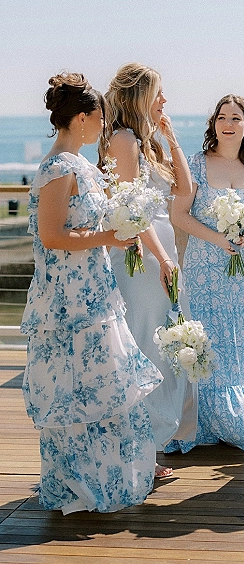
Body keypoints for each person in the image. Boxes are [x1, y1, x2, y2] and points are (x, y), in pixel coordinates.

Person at [21, 73, 162, 514]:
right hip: (68, 299)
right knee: (78, 386)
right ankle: (81, 482)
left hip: (94, 289)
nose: (103, 126)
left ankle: (111, 473)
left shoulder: (81, 165)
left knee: (104, 382)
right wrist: (109, 239)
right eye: (99, 118)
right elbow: (52, 236)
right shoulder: (59, 168)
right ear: (82, 117)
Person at [99, 63, 197, 469]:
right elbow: (132, 211)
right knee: (144, 345)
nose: (165, 101)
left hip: (159, 250)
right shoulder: (122, 140)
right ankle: (139, 449)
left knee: (162, 344)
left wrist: (171, 138)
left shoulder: (147, 142)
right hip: (140, 256)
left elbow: (184, 191)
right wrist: (163, 258)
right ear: (139, 96)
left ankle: (148, 446)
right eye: (158, 93)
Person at [171, 95, 244, 454]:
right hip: (205, 269)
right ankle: (213, 416)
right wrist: (218, 238)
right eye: (221, 117)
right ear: (214, 124)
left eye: (236, 117)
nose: (228, 124)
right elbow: (179, 215)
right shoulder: (197, 165)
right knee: (212, 339)